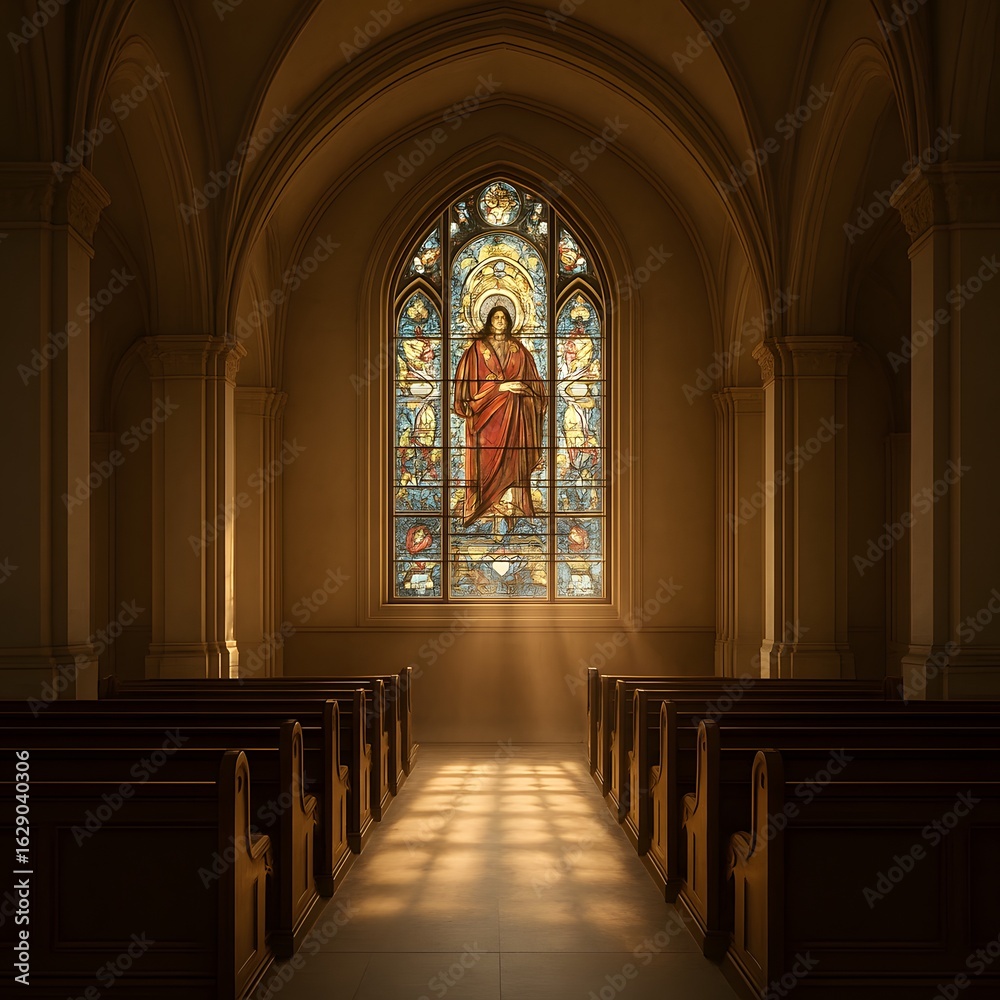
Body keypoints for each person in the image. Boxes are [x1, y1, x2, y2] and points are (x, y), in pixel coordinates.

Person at [453, 305, 547, 527]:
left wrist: (523, 390)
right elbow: (466, 392)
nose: (500, 321)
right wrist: (501, 388)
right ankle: (484, 511)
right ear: (488, 320)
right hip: (486, 423)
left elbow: (536, 388)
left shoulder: (519, 351)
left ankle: (514, 509)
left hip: (515, 421)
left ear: (509, 321)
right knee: (485, 467)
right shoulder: (476, 350)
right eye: (496, 317)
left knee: (514, 462)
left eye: (504, 317)